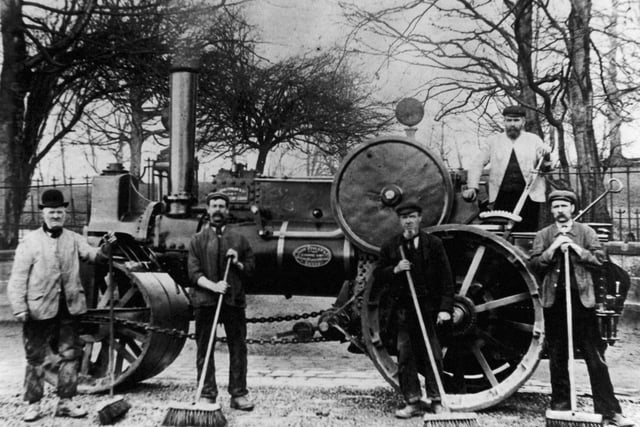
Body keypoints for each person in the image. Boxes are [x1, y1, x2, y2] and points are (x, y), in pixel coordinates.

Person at [7, 189, 115, 422]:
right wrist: (19, 307)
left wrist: (107, 247)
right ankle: (34, 404)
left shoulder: (74, 239)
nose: (56, 215)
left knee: (71, 355)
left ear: (64, 213)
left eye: (59, 212)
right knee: (35, 358)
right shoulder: (30, 242)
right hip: (38, 309)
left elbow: (95, 257)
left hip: (70, 308)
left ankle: (66, 402)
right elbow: (17, 278)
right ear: (43, 214)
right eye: (51, 211)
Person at [530, 190, 634, 427]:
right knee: (557, 356)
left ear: (573, 209)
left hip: (582, 303)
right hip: (554, 303)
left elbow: (600, 261)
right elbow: (534, 265)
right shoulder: (544, 235)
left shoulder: (586, 233)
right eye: (555, 206)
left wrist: (576, 249)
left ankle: (610, 411)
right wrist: (554, 247)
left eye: (564, 206)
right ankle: (560, 408)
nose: (559, 210)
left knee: (594, 357)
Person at [374, 201, 455, 419]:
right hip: (404, 310)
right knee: (406, 356)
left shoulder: (434, 244)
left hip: (429, 309)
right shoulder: (391, 246)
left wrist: (445, 308)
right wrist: (395, 269)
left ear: (420, 218)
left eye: (412, 217)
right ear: (399, 221)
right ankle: (412, 401)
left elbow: (447, 280)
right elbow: (378, 274)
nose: (408, 221)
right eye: (404, 218)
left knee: (433, 355)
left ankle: (436, 400)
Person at [187, 192, 256, 410]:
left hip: (233, 302)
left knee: (238, 348)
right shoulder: (197, 240)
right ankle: (207, 393)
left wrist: (238, 263)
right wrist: (213, 286)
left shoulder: (240, 240)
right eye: (214, 205)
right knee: (204, 347)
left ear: (227, 211)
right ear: (207, 210)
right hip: (206, 301)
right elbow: (193, 273)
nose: (218, 209)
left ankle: (239, 394)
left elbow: (252, 270)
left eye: (222, 206)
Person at [463, 105, 552, 231]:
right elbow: (477, 164)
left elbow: (545, 168)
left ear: (523, 121)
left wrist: (546, 156)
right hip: (502, 197)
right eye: (509, 120)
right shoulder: (493, 141)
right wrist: (472, 187)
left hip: (529, 197)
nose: (512, 124)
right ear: (504, 121)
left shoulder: (534, 140)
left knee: (527, 234)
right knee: (502, 232)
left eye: (516, 120)